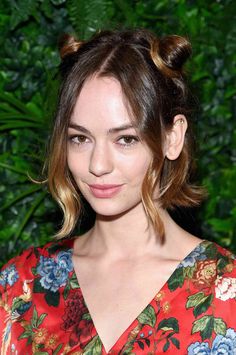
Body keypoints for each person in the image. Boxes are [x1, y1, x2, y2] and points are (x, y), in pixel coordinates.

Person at [0, 29, 236, 355]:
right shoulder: (23, 286)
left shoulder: (226, 292)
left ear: (172, 138)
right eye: (80, 138)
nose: (98, 164)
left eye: (125, 139)